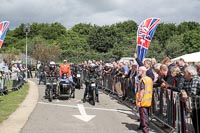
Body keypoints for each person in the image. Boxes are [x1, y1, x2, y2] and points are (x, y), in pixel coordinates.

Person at [182, 66, 200, 133]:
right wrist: (183, 92)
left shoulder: (196, 79)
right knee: (194, 121)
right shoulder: (186, 79)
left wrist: (186, 93)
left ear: (190, 73)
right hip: (194, 105)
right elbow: (182, 87)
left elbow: (193, 92)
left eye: (185, 72)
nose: (184, 74)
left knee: (197, 122)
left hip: (198, 104)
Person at [136, 66, 153, 133]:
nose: (138, 72)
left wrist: (139, 101)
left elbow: (142, 91)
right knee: (145, 115)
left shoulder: (143, 80)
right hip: (148, 100)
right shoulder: (149, 79)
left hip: (143, 100)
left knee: (143, 116)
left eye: (139, 71)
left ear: (143, 71)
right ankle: (142, 126)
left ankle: (145, 129)